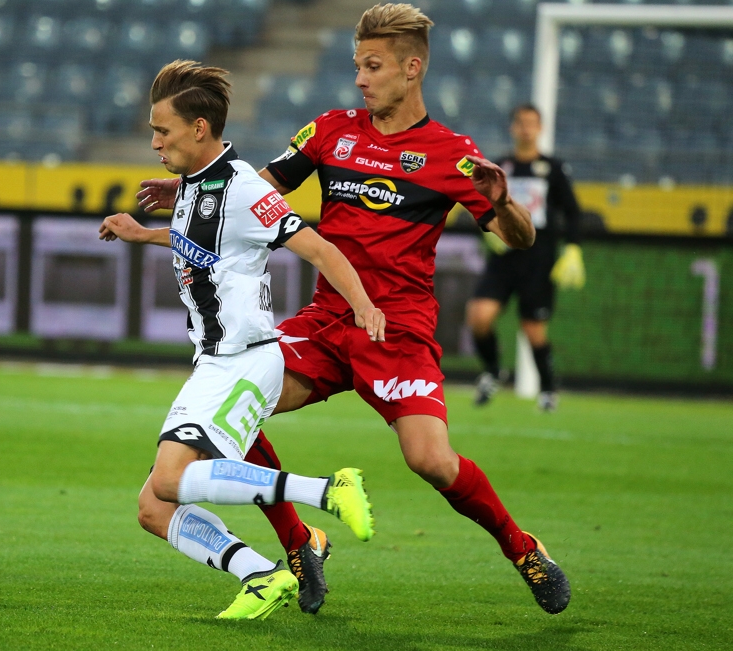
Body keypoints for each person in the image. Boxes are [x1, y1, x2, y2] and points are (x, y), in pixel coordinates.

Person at [136, 4, 571, 615]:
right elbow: (252, 187)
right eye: (357, 66)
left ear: (412, 68)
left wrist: (503, 206)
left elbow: (519, 239)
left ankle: (523, 548)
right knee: (239, 398)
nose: (361, 80)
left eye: (374, 67)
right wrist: (186, 188)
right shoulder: (330, 132)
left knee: (431, 461)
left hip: (397, 330)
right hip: (326, 321)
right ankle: (299, 541)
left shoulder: (452, 155)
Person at [99, 60, 385, 621]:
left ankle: (327, 490)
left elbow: (321, 249)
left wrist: (364, 305)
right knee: (152, 508)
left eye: (163, 131)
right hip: (214, 362)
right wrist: (143, 235)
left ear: (199, 128)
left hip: (245, 360)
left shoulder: (246, 189)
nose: (154, 142)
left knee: (169, 478)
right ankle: (259, 573)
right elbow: (207, 249)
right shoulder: (194, 182)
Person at [466, 103, 584, 412]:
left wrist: (572, 249)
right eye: (520, 122)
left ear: (540, 128)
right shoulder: (500, 166)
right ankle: (493, 371)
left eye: (532, 123)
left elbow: (572, 213)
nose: (526, 128)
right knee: (479, 316)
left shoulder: (553, 169)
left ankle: (547, 390)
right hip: (504, 259)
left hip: (538, 260)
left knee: (533, 329)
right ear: (512, 128)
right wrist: (488, 232)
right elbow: (479, 204)